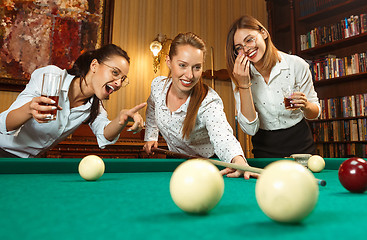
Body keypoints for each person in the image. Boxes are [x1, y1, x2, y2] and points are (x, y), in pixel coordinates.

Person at [143, 32, 258, 179]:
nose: (190, 75)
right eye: (182, 65)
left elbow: (222, 136)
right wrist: (151, 136)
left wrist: (238, 161)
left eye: (196, 67)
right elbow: (152, 107)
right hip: (176, 163)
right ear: (168, 61)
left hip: (209, 167)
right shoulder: (158, 86)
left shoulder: (208, 101)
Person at [0, 44, 146, 158]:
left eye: (123, 79)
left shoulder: (94, 106)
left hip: (26, 163)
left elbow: (104, 134)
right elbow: (4, 124)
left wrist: (122, 119)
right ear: (94, 65)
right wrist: (29, 110)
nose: (119, 83)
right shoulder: (51, 77)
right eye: (115, 72)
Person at [226, 15, 321, 158]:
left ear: (263, 33)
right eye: (239, 47)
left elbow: (315, 114)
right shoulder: (240, 76)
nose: (246, 49)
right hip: (264, 148)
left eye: (249, 40)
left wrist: (306, 105)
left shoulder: (297, 65)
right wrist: (243, 84)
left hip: (301, 144)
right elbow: (250, 129)